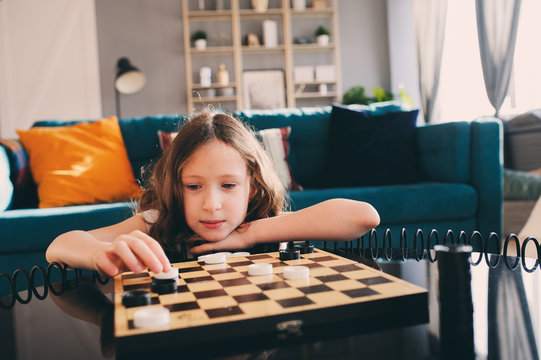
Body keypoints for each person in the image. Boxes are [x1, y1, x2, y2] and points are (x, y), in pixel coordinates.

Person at [46, 113, 380, 277]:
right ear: (174, 186)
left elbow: (364, 216)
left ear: (253, 185)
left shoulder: (257, 221)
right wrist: (100, 254)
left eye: (229, 185)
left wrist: (252, 234)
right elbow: (59, 245)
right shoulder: (159, 223)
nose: (211, 204)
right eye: (193, 186)